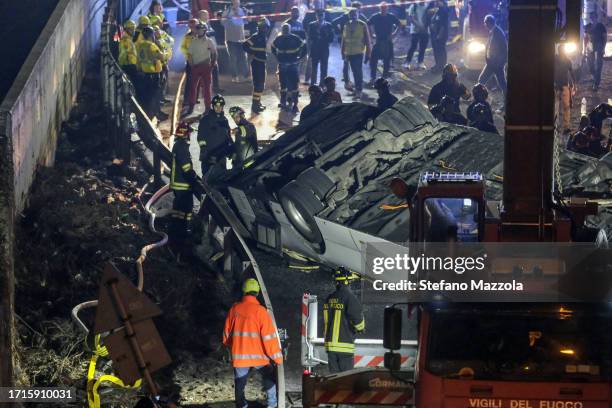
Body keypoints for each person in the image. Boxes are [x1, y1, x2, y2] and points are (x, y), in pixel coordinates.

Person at [223, 278, 283, 408]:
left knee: (240, 384)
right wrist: (277, 358)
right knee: (268, 379)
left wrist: (233, 348)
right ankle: (272, 405)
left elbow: (226, 337)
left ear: (244, 291)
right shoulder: (261, 311)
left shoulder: (234, 309)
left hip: (240, 357)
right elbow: (269, 338)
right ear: (257, 292)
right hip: (260, 358)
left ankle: (242, 405)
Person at [169, 122, 203, 257]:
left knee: (178, 210)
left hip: (178, 185)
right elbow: (186, 168)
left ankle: (176, 231)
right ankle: (182, 233)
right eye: (189, 133)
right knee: (186, 209)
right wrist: (194, 177)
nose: (190, 135)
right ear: (185, 133)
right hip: (183, 185)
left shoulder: (177, 145)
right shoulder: (182, 147)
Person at [323, 267, 365, 373]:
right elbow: (357, 317)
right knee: (345, 380)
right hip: (344, 347)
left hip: (330, 347)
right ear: (348, 281)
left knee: (334, 379)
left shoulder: (329, 298)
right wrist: (360, 328)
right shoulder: (349, 297)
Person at [198, 95, 233, 184]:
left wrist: (231, 150)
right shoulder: (205, 120)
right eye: (216, 106)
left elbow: (228, 136)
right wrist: (205, 151)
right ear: (213, 106)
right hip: (209, 156)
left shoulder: (225, 120)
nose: (218, 108)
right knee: (207, 181)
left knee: (220, 181)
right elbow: (201, 137)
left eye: (220, 106)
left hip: (221, 158)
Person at [272, 23, 307, 113]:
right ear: (282, 30)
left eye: (286, 29)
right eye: (284, 29)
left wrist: (300, 58)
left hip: (291, 65)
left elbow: (304, 47)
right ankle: (285, 102)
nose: (285, 30)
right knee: (284, 85)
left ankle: (294, 104)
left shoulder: (294, 38)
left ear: (289, 29)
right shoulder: (279, 38)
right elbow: (272, 47)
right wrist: (277, 57)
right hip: (286, 65)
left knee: (293, 85)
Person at [332, 2, 366, 91]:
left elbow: (367, 23)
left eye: (359, 9)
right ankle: (347, 81)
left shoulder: (360, 18)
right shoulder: (345, 16)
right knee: (346, 63)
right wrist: (340, 32)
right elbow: (334, 22)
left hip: (357, 45)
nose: (359, 10)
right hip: (346, 42)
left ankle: (354, 82)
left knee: (354, 66)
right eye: (358, 8)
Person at [186, 21, 217, 115]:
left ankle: (208, 107)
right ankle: (191, 106)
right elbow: (189, 54)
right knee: (193, 87)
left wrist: (212, 65)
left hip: (206, 66)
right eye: (198, 30)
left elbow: (214, 53)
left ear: (205, 31)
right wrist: (191, 65)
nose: (199, 31)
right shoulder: (193, 41)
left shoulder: (209, 41)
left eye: (201, 30)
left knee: (207, 88)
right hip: (195, 66)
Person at [135, 26, 166, 119]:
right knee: (155, 95)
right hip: (153, 73)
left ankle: (146, 115)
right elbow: (162, 57)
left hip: (143, 73)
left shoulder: (139, 45)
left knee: (146, 95)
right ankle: (156, 114)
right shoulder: (151, 45)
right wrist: (166, 51)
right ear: (150, 35)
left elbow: (138, 60)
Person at [367, 2, 401, 85]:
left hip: (388, 41)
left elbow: (399, 24)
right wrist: (371, 34)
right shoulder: (375, 16)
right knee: (373, 60)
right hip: (378, 40)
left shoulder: (391, 16)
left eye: (385, 8)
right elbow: (367, 24)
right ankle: (373, 78)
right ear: (380, 8)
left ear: (387, 8)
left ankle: (384, 78)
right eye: (382, 8)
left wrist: (394, 34)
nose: (384, 9)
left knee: (387, 60)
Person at [342, 9, 371, 100]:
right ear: (349, 16)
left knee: (357, 72)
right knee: (345, 71)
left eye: (355, 14)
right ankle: (350, 85)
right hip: (347, 53)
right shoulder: (346, 25)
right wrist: (342, 52)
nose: (353, 16)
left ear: (358, 15)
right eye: (351, 14)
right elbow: (344, 40)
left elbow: (368, 41)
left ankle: (359, 90)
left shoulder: (363, 25)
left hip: (358, 53)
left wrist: (368, 54)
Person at [243, 19, 269, 113]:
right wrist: (253, 53)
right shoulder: (255, 37)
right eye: (264, 28)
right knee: (259, 84)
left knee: (261, 84)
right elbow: (245, 45)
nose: (266, 29)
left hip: (261, 63)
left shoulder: (262, 37)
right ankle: (255, 105)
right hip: (257, 63)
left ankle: (258, 102)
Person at [478, 14, 507, 97]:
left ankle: (507, 103)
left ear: (489, 23)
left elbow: (504, 49)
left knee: (502, 84)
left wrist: (500, 63)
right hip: (491, 63)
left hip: (496, 64)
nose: (485, 25)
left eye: (485, 24)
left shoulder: (498, 33)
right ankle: (480, 98)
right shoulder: (492, 31)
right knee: (481, 80)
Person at [223, 0, 250, 82]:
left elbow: (246, 21)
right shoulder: (227, 11)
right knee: (233, 59)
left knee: (243, 58)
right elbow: (222, 23)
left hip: (241, 39)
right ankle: (234, 77)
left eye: (238, 3)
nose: (236, 4)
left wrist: (246, 16)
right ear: (232, 3)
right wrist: (229, 18)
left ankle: (246, 76)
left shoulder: (242, 10)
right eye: (235, 3)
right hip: (230, 39)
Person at [308, 9, 335, 87]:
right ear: (316, 15)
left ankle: (322, 85)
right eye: (319, 14)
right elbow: (310, 36)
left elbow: (331, 38)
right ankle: (313, 85)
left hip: (324, 50)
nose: (320, 16)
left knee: (324, 68)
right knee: (314, 68)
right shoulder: (311, 25)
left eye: (322, 15)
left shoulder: (329, 25)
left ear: (324, 16)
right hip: (315, 49)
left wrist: (323, 37)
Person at [554, 45, 575, 135]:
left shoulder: (565, 60)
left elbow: (571, 72)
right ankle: (560, 127)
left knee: (560, 107)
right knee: (560, 107)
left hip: (561, 87)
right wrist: (574, 84)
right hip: (559, 87)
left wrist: (574, 84)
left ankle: (560, 127)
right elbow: (572, 72)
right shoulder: (564, 60)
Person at [403, 2, 430, 70]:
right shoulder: (414, 6)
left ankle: (420, 62)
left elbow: (430, 17)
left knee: (422, 47)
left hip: (425, 30)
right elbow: (411, 18)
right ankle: (407, 62)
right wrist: (419, 26)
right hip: (415, 31)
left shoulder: (428, 6)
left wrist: (425, 27)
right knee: (413, 47)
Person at [586, 12, 607, 91]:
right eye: (591, 17)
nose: (591, 18)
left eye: (593, 16)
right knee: (590, 66)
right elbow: (586, 38)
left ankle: (596, 84)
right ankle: (595, 78)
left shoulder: (601, 26)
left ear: (596, 17)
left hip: (599, 46)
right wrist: (585, 48)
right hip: (591, 47)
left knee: (599, 65)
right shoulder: (588, 26)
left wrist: (603, 48)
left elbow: (604, 37)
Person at [180, 18, 199, 105]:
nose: (193, 27)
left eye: (194, 25)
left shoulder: (201, 35)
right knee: (189, 81)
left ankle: (195, 98)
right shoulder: (187, 36)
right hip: (190, 61)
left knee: (198, 81)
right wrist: (188, 54)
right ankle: (187, 99)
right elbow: (182, 47)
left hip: (200, 60)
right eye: (191, 25)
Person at [429, 0, 449, 73]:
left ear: (442, 2)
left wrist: (439, 35)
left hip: (440, 35)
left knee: (441, 51)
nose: (436, 3)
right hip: (435, 34)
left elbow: (443, 25)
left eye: (438, 1)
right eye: (436, 2)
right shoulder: (438, 11)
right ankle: (437, 64)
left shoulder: (443, 11)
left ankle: (441, 67)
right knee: (436, 50)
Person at [211, 11, 231, 76]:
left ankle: (225, 71)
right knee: (220, 57)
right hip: (219, 43)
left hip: (223, 43)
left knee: (224, 57)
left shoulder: (225, 23)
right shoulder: (214, 23)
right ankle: (223, 71)